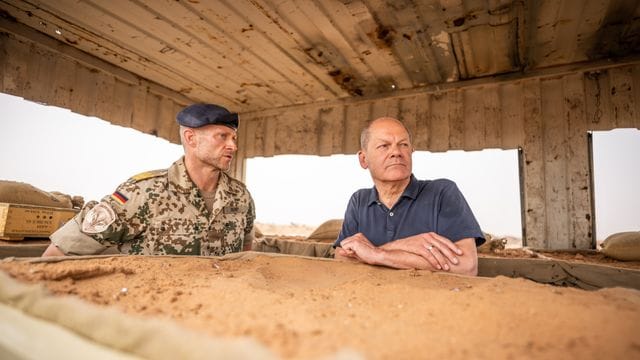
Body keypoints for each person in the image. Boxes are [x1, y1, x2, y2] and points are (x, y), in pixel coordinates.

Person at [42, 103, 255, 257]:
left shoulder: (240, 196)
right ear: (191, 138)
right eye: (222, 136)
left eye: (234, 138)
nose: (233, 146)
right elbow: (57, 254)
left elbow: (245, 251)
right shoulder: (142, 193)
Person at [334, 117, 485, 275]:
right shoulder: (359, 201)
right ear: (364, 159)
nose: (396, 152)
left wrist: (377, 253)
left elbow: (467, 266)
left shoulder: (442, 192)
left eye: (403, 144)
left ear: (411, 151)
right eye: (384, 146)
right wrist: (405, 245)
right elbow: (341, 258)